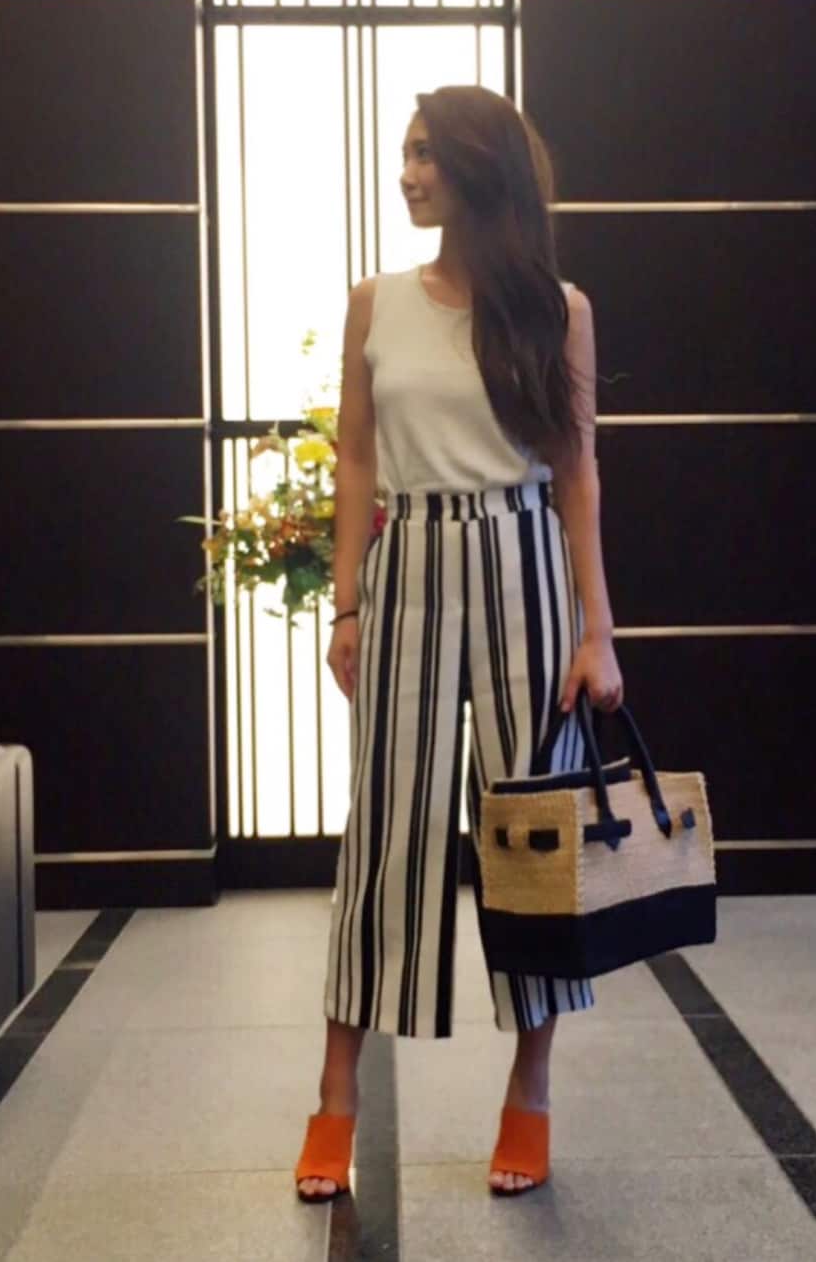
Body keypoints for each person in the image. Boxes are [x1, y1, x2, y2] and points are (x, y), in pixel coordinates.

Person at [294, 85, 623, 1203]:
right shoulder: (374, 303)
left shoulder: (556, 309)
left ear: (482, 169)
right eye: (406, 153)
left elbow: (576, 473)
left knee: (532, 836)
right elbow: (355, 456)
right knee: (384, 827)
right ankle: (335, 1093)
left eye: (428, 154)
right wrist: (346, 604)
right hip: (413, 565)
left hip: (527, 565)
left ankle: (530, 1087)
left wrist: (597, 628)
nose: (409, 174)